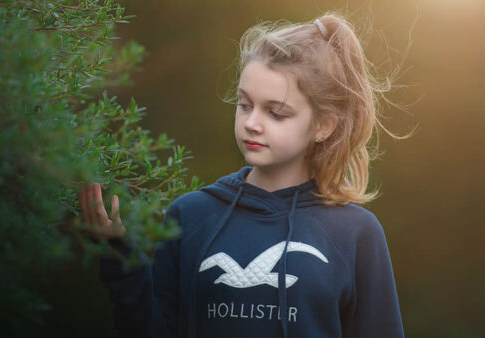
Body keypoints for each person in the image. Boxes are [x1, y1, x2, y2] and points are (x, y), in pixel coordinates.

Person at [80, 12, 405, 338]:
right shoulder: (191, 215)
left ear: (323, 125)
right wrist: (118, 259)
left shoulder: (355, 233)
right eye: (245, 104)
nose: (252, 123)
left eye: (276, 113)